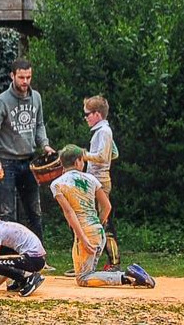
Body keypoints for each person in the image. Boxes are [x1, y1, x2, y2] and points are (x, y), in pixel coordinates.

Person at [50, 145, 154, 289]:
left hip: (84, 233)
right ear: (77, 161)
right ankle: (131, 274)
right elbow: (107, 207)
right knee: (88, 273)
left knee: (83, 278)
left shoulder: (57, 184)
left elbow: (69, 213)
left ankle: (127, 277)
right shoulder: (91, 179)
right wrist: (98, 224)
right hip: (98, 230)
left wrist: (83, 238)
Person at [0, 59, 54, 245]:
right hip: (7, 161)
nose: (25, 81)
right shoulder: (1, 101)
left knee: (34, 211)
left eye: (28, 77)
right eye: (21, 77)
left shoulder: (36, 97)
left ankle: (37, 252)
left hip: (29, 160)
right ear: (12, 76)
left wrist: (45, 145)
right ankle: (6, 253)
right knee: (7, 212)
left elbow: (39, 125)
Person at [81, 95, 121, 271]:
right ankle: (90, 262)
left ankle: (114, 263)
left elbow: (103, 156)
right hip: (96, 179)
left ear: (97, 114)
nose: (86, 118)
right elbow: (114, 153)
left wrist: (83, 155)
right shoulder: (102, 131)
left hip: (101, 181)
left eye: (87, 114)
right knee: (96, 221)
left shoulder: (104, 131)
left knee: (104, 222)